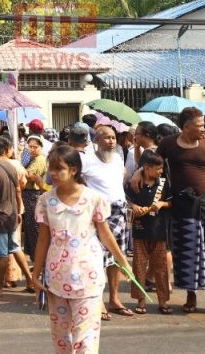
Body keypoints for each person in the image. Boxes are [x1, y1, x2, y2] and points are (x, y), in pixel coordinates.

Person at [31, 145, 131, 354]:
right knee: (62, 337)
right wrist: (35, 275)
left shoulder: (94, 199)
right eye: (51, 168)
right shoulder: (45, 201)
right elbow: (43, 240)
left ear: (74, 169)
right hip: (56, 278)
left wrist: (123, 261)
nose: (53, 173)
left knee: (85, 338)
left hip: (88, 277)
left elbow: (105, 234)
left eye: (59, 168)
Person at [152, 107, 205, 319]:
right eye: (199, 125)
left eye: (203, 124)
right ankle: (191, 296)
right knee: (187, 252)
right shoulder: (168, 144)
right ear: (186, 127)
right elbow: (153, 166)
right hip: (181, 205)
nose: (203, 128)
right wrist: (140, 176)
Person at [72, 123, 132, 319]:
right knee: (97, 258)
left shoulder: (117, 159)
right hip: (98, 215)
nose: (111, 141)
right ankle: (98, 302)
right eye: (107, 137)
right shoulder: (86, 160)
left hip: (119, 212)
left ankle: (114, 298)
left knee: (116, 257)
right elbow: (75, 179)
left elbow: (122, 176)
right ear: (96, 140)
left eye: (113, 137)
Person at [0, 136, 34, 296]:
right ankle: (30, 280)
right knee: (15, 248)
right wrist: (19, 210)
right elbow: (18, 190)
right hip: (11, 214)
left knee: (1, 252)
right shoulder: (11, 166)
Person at [124, 150, 172, 314]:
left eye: (161, 168)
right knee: (139, 267)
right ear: (146, 168)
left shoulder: (164, 183)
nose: (160, 171)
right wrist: (134, 206)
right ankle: (141, 301)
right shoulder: (134, 184)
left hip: (159, 232)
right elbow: (127, 200)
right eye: (157, 168)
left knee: (161, 268)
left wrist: (162, 204)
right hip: (140, 231)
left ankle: (163, 302)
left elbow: (171, 202)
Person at [21, 134, 48, 259]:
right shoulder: (32, 158)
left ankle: (38, 258)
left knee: (34, 227)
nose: (32, 149)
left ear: (41, 147)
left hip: (33, 195)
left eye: (35, 147)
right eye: (30, 147)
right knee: (30, 227)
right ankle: (35, 257)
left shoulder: (40, 159)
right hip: (29, 195)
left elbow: (30, 174)